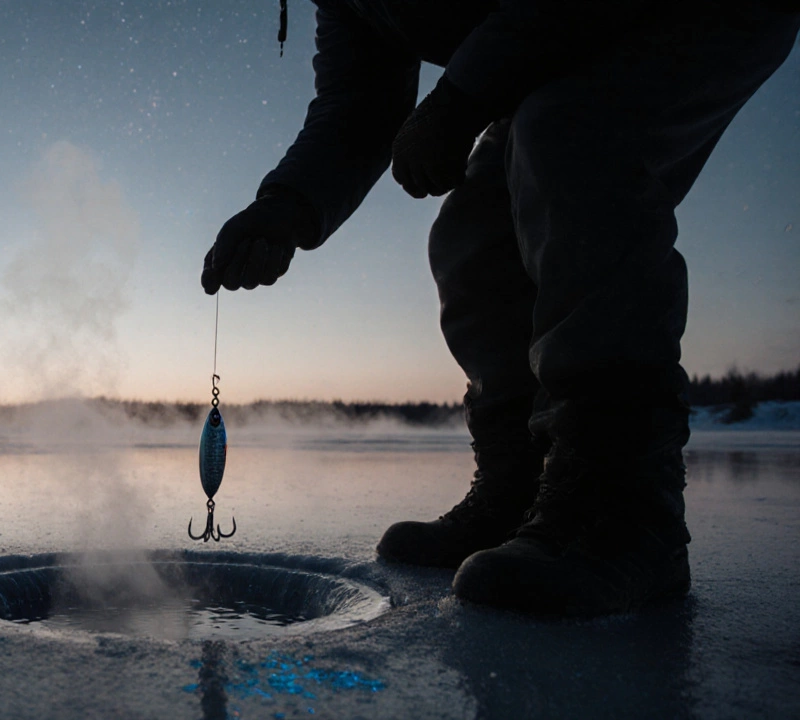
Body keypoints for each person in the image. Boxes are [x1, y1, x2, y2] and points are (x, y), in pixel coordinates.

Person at [201, 0, 800, 616]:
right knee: (473, 233)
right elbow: (359, 103)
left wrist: (461, 97)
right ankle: (523, 491)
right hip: (553, 49)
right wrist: (289, 204)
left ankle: (624, 516)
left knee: (571, 138)